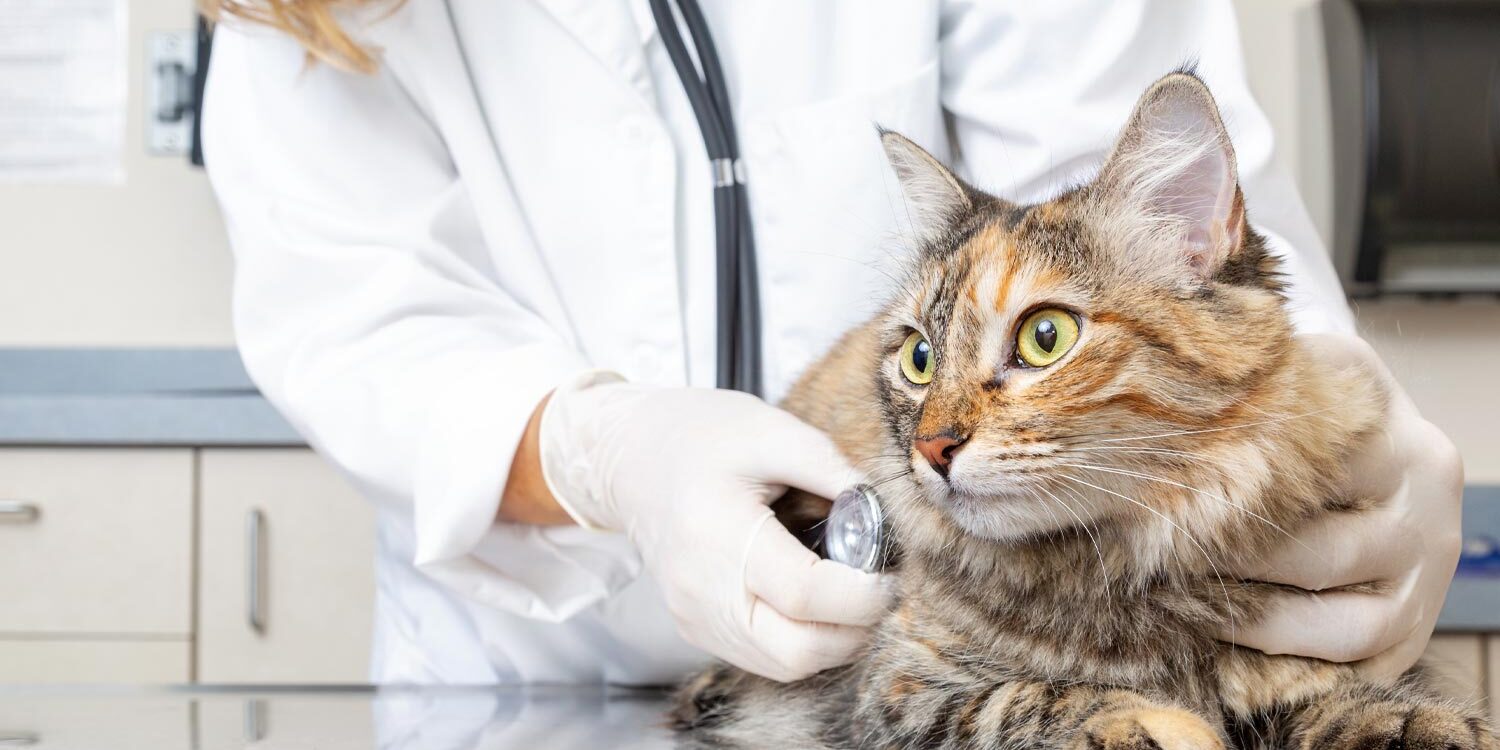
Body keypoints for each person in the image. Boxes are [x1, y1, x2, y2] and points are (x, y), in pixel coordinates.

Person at [200, 0, 1463, 685]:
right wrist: (605, 454)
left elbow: (1133, 206)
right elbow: (360, 321)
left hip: (971, 651)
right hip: (534, 680)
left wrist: (1328, 423)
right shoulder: (289, 21)